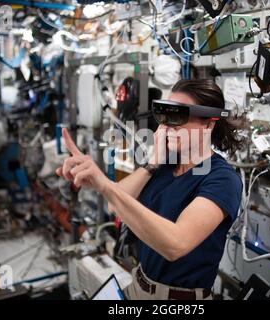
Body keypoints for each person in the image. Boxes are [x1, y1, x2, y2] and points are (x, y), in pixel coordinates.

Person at [56, 79, 243, 300]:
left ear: (208, 124)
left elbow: (175, 244)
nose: (167, 126)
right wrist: (151, 164)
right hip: (139, 285)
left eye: (178, 116)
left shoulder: (222, 179)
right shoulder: (164, 164)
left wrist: (104, 184)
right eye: (164, 115)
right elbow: (114, 206)